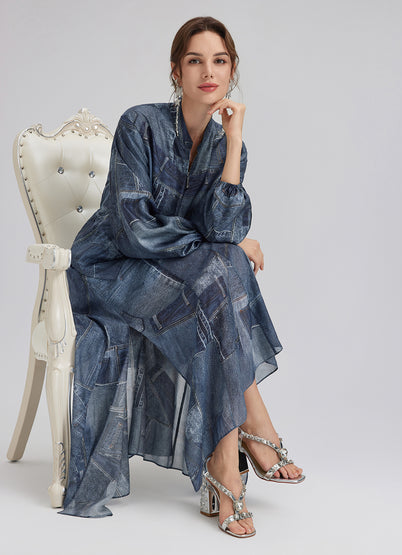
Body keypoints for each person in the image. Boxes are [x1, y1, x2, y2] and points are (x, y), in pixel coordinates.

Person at [59, 16, 305, 537]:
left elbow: (225, 228)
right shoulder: (139, 124)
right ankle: (250, 430)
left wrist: (234, 140)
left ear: (232, 70)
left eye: (219, 61)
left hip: (179, 273)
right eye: (195, 61)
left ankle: (225, 460)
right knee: (223, 263)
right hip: (112, 270)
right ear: (177, 71)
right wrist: (223, 244)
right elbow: (133, 230)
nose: (208, 72)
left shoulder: (225, 146)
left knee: (226, 264)